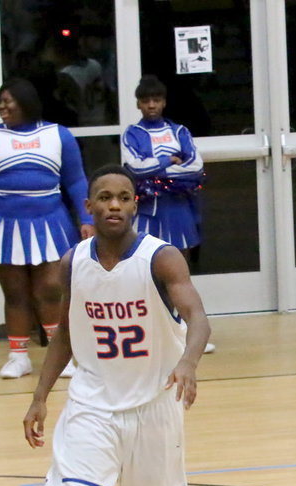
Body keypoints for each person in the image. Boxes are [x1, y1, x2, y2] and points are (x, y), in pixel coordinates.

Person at [10, 164, 211, 486]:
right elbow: (65, 332)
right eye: (104, 197)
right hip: (92, 402)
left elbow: (198, 318)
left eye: (124, 196)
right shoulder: (73, 262)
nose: (114, 204)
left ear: (136, 204)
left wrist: (188, 362)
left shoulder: (160, 258)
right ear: (89, 206)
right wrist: (40, 395)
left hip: (153, 402)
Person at [0, 78, 92, 379]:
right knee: (15, 293)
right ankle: (18, 357)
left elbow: (75, 180)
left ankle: (60, 356)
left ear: (27, 102)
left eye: (8, 101)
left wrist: (87, 219)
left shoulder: (58, 135)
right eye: (0, 101)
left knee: (50, 290)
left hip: (51, 221)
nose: (2, 106)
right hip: (3, 224)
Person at [121, 75, 213, 353]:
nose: (151, 105)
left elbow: (194, 167)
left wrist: (157, 171)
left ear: (164, 102)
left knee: (179, 272)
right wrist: (168, 160)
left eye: (157, 100)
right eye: (146, 100)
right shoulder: (131, 133)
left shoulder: (179, 131)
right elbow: (134, 168)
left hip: (178, 211)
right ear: (138, 104)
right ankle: (149, 333)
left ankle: (183, 332)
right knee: (144, 271)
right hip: (148, 211)